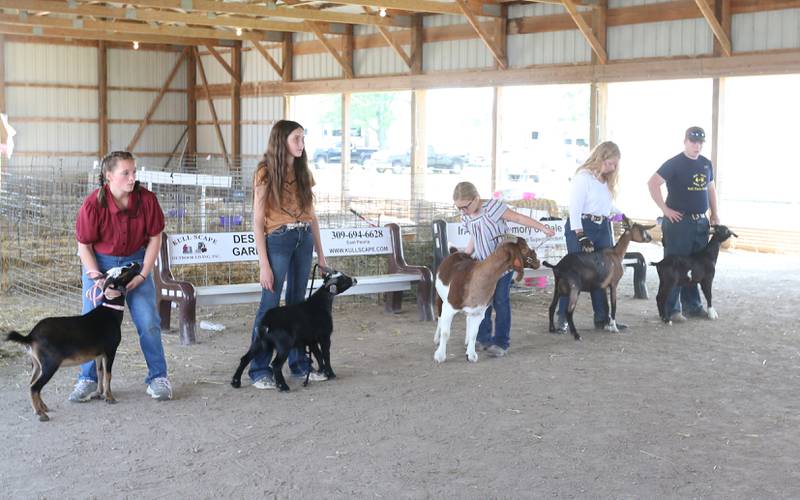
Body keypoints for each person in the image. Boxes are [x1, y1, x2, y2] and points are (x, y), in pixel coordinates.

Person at [70, 151, 172, 402]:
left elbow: (155, 238)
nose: (132, 178)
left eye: (134, 172)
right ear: (108, 176)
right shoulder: (93, 204)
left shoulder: (146, 200)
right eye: (125, 173)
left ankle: (158, 377)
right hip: (100, 264)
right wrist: (97, 279)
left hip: (135, 263)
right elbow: (84, 245)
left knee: (148, 320)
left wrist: (144, 273)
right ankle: (88, 379)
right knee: (90, 323)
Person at [248, 119, 329, 389]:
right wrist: (263, 264)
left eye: (303, 138)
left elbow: (312, 215)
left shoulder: (304, 171)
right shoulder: (265, 173)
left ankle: (299, 364)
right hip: (279, 240)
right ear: (281, 141)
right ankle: (259, 369)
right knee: (270, 303)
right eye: (296, 138)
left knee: (298, 304)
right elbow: (258, 220)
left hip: (303, 237)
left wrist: (322, 254)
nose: (301, 144)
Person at [452, 181, 556, 357]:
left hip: (502, 266)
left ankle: (501, 342)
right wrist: (464, 256)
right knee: (481, 303)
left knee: (500, 301)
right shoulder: (466, 216)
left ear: (476, 198)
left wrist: (542, 227)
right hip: (482, 268)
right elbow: (474, 236)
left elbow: (517, 218)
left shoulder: (492, 207)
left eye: (465, 206)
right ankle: (482, 337)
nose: (462, 211)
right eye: (459, 208)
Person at [647, 126, 719, 323]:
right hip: (679, 222)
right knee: (675, 265)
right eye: (693, 142)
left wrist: (715, 213)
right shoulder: (675, 163)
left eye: (700, 142)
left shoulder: (706, 164)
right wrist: (665, 209)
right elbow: (653, 183)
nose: (697, 146)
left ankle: (693, 305)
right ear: (685, 141)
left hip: (700, 222)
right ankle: (671, 309)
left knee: (698, 265)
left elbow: (710, 189)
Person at [556, 141, 628, 333]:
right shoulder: (583, 177)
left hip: (602, 226)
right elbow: (575, 209)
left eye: (615, 165)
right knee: (575, 273)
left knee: (604, 272)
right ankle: (562, 317)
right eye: (610, 163)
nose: (612, 168)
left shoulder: (606, 182)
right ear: (600, 157)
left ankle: (602, 318)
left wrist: (623, 216)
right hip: (581, 225)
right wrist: (580, 235)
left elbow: (606, 207)